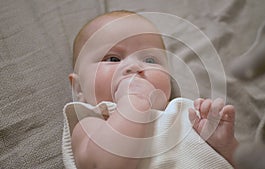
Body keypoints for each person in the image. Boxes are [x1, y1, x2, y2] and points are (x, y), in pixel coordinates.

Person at [62, 10, 238, 169]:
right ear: (79, 88)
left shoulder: (188, 115)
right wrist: (134, 103)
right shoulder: (89, 125)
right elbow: (107, 164)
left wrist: (225, 147)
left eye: (150, 60)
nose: (135, 66)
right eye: (113, 59)